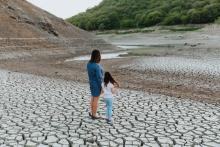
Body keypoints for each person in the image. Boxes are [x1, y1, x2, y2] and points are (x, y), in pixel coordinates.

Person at [87, 49, 104, 119]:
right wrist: (102, 87)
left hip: (91, 83)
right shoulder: (97, 66)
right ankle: (94, 115)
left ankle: (92, 112)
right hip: (97, 84)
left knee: (93, 98)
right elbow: (99, 78)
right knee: (96, 100)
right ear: (98, 56)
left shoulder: (89, 64)